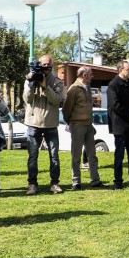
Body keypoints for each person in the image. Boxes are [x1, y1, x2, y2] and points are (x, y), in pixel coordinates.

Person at [23, 54, 64, 195]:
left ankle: (54, 183)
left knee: (54, 156)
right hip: (33, 123)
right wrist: (30, 83)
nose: (46, 67)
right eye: (44, 64)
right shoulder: (30, 78)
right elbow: (27, 99)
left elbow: (56, 100)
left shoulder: (57, 82)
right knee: (32, 156)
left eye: (49, 64)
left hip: (50, 124)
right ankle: (32, 184)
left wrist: (46, 87)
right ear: (39, 65)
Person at [62, 67, 104, 191]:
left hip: (88, 125)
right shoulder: (74, 89)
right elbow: (66, 109)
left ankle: (95, 180)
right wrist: (71, 122)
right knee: (76, 155)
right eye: (91, 74)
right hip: (77, 125)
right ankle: (76, 182)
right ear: (84, 75)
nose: (93, 76)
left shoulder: (87, 87)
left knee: (92, 154)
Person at [107, 61, 129, 190]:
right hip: (120, 127)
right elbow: (115, 105)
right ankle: (118, 182)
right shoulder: (113, 85)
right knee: (119, 156)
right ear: (120, 70)